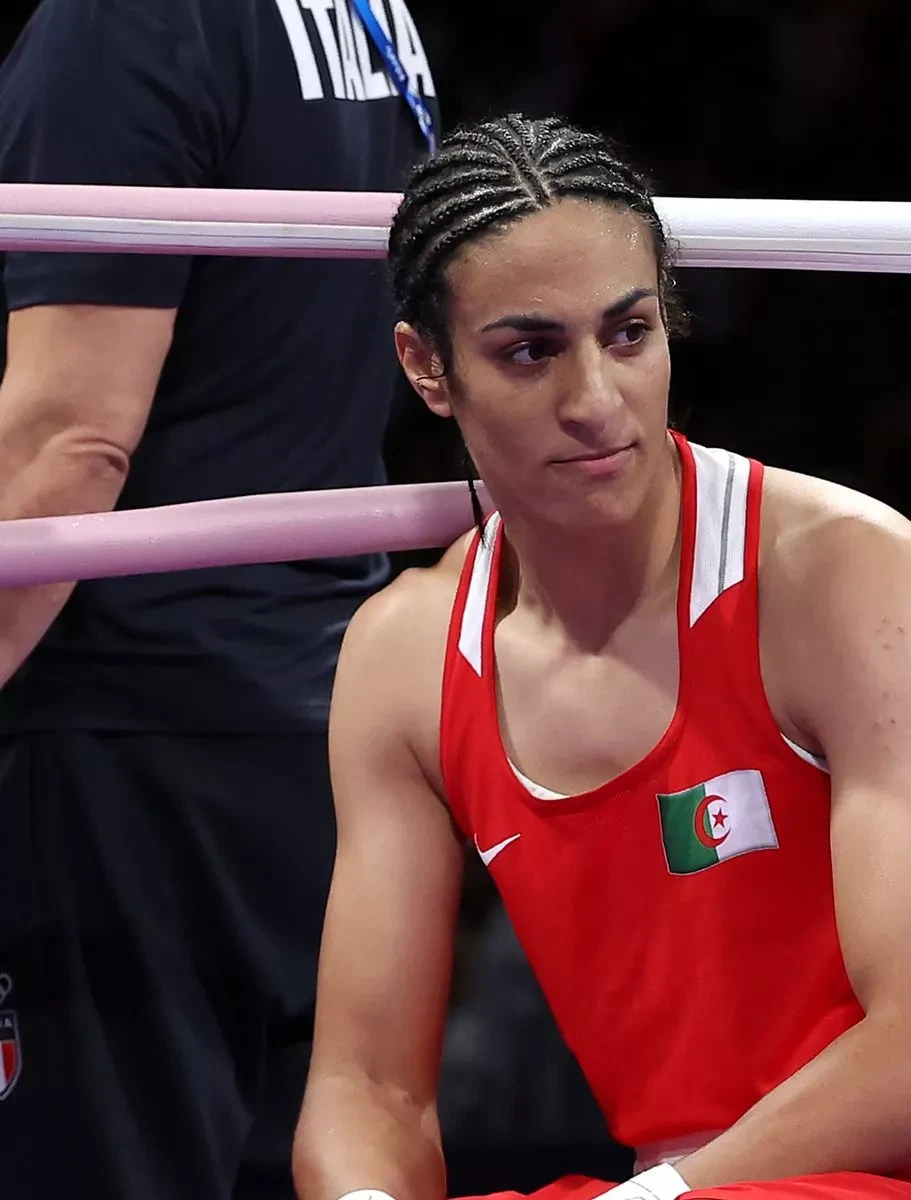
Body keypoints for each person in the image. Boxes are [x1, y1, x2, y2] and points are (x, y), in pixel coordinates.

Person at [293, 114, 911, 1200]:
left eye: (628, 334)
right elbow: (366, 1087)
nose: (595, 401)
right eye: (531, 351)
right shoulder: (404, 658)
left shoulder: (840, 578)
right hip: (693, 1186)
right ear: (428, 368)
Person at [0, 1, 437, 1197]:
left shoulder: (130, 19)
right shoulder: (355, 12)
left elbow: (67, 443)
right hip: (313, 712)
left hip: (126, 722)